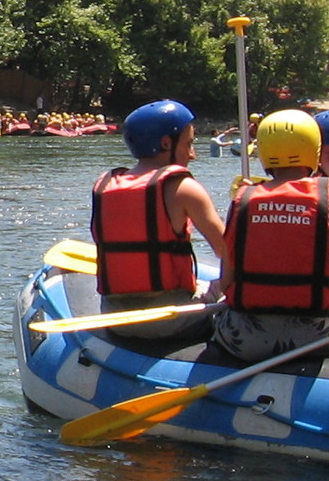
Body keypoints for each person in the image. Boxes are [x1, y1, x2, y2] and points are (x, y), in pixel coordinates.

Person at [211, 110, 329, 360]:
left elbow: (226, 282)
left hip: (244, 340)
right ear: (314, 149)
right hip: (316, 338)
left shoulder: (242, 199)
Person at [89, 99, 228, 340]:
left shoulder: (105, 184)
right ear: (166, 143)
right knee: (227, 286)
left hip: (115, 318)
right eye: (189, 144)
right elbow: (231, 252)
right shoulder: (184, 188)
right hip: (169, 321)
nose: (193, 155)